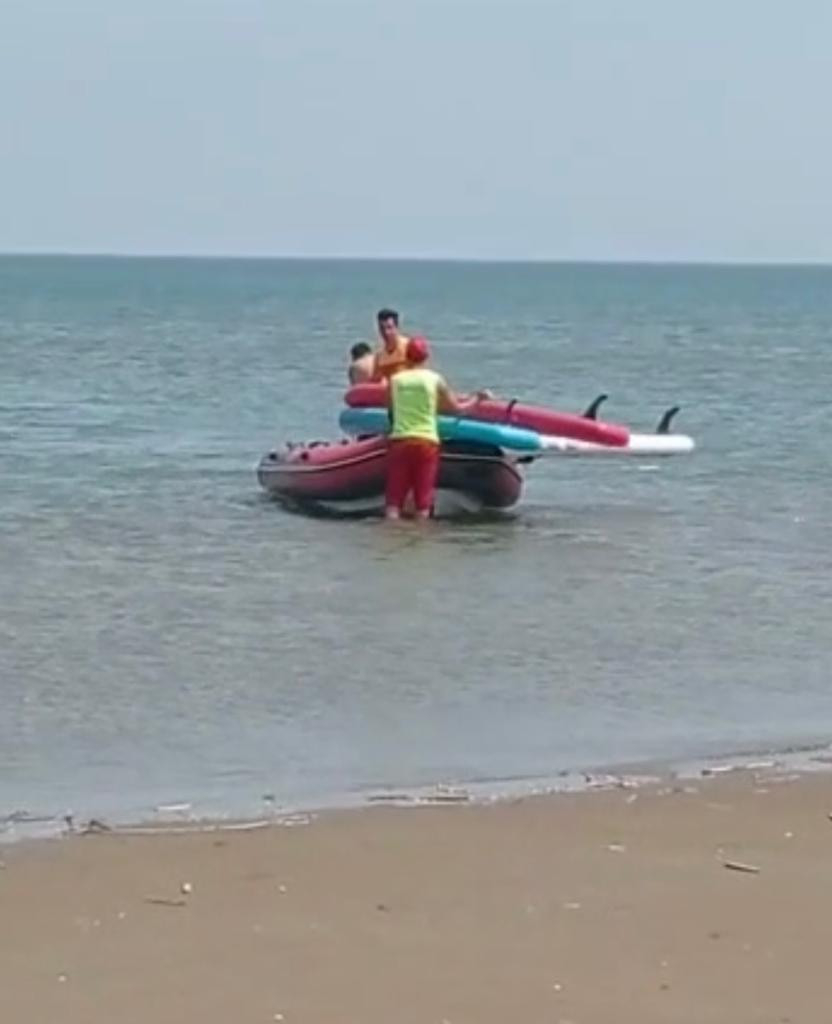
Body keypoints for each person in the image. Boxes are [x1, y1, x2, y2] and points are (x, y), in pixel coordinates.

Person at [385, 336, 484, 520]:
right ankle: (422, 536)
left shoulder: (395, 380)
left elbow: (391, 411)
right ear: (426, 357)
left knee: (394, 502)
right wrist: (477, 399)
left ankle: (391, 534)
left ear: (406, 356)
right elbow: (457, 409)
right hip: (426, 441)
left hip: (400, 441)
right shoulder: (434, 379)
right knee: (423, 502)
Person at [372, 307, 409, 381]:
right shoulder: (379, 357)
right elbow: (376, 380)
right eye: (382, 328)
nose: (386, 332)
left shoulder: (408, 347)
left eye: (389, 327)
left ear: (397, 328)